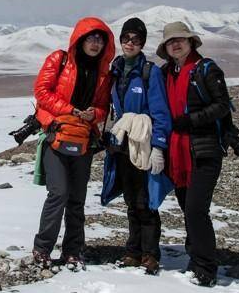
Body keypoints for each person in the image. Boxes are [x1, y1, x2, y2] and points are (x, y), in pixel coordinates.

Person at [31, 16, 115, 270]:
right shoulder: (60, 59)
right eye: (91, 37)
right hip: (56, 136)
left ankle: (73, 250)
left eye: (100, 39)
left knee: (77, 198)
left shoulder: (103, 74)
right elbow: (42, 91)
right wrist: (71, 110)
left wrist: (94, 115)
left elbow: (103, 107)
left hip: (83, 140)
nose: (95, 43)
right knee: (59, 193)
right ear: (80, 39)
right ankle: (42, 248)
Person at [156, 21, 232, 287]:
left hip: (204, 149)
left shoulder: (206, 70)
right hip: (178, 151)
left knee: (195, 210)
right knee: (187, 207)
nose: (176, 44)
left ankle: (206, 267)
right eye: (170, 41)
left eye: (180, 39)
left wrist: (191, 120)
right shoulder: (168, 72)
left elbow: (223, 105)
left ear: (191, 42)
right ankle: (196, 256)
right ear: (166, 48)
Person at [99, 17, 174, 275]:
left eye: (136, 39)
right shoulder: (116, 69)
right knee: (131, 199)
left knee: (146, 201)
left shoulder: (149, 71)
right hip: (122, 145)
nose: (130, 43)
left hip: (142, 143)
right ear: (121, 41)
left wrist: (159, 147)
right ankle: (133, 251)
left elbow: (161, 111)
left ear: (142, 43)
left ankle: (150, 254)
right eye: (126, 38)